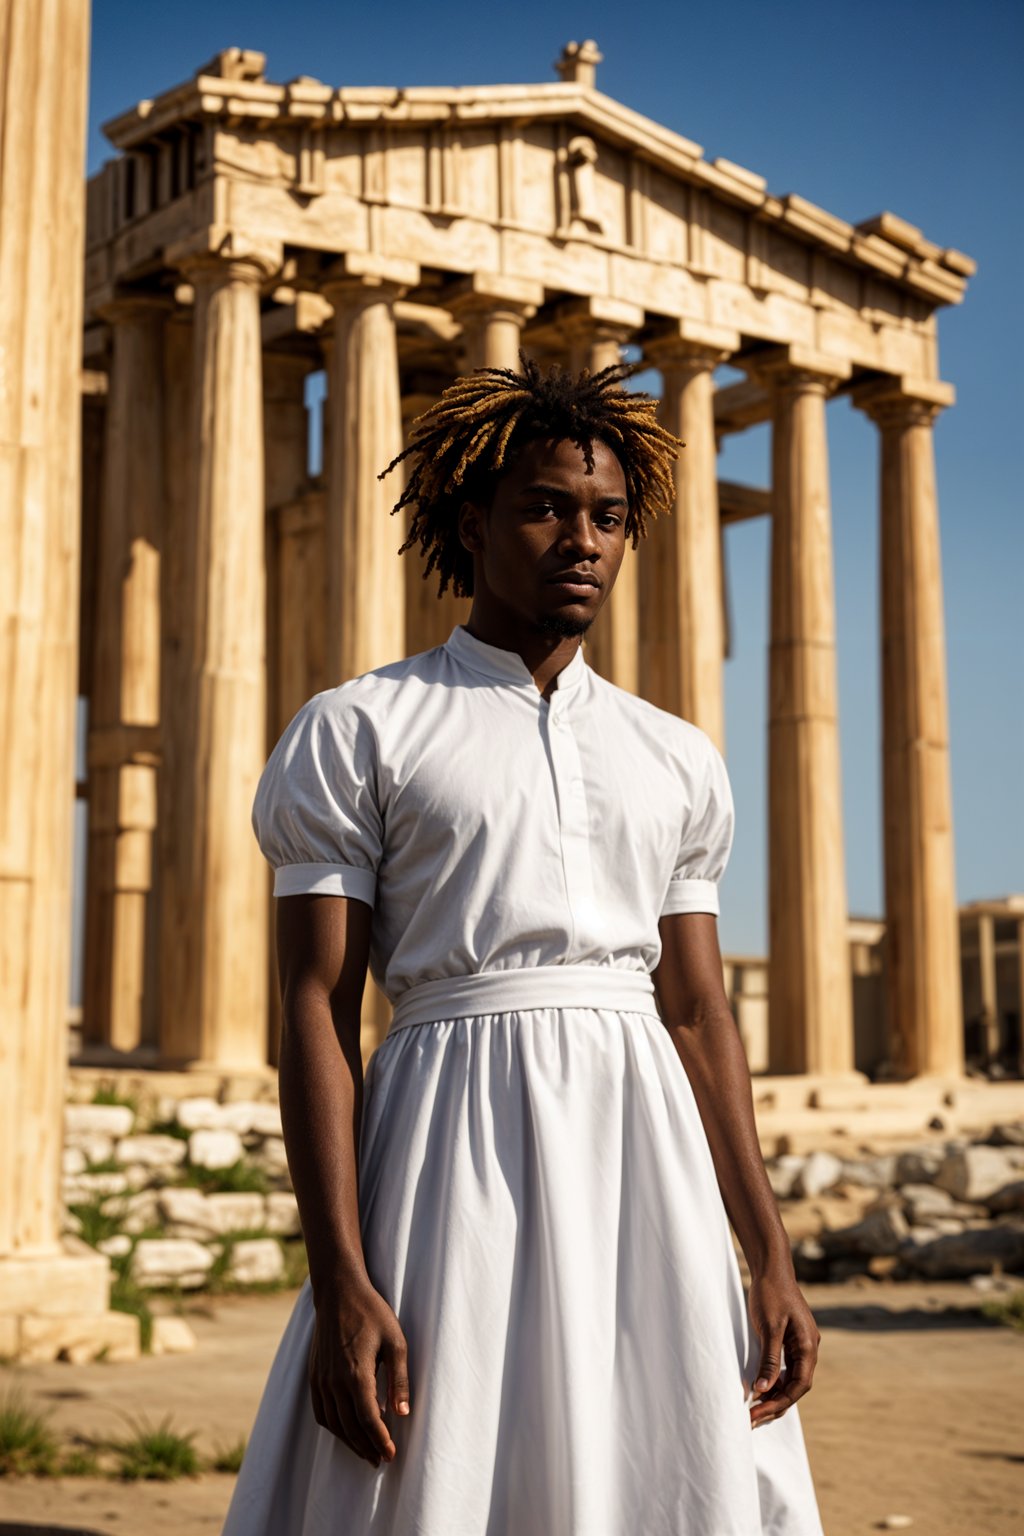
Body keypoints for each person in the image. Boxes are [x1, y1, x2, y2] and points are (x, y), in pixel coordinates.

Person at [221, 358, 825, 1535]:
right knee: (433, 1461)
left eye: (607, 517)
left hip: (642, 1156)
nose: (582, 540)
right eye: (546, 507)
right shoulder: (363, 726)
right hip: (447, 1146)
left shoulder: (676, 757)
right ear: (470, 522)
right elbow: (314, 1007)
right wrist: (339, 1273)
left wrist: (770, 1252)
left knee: (660, 1457)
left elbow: (697, 1014)